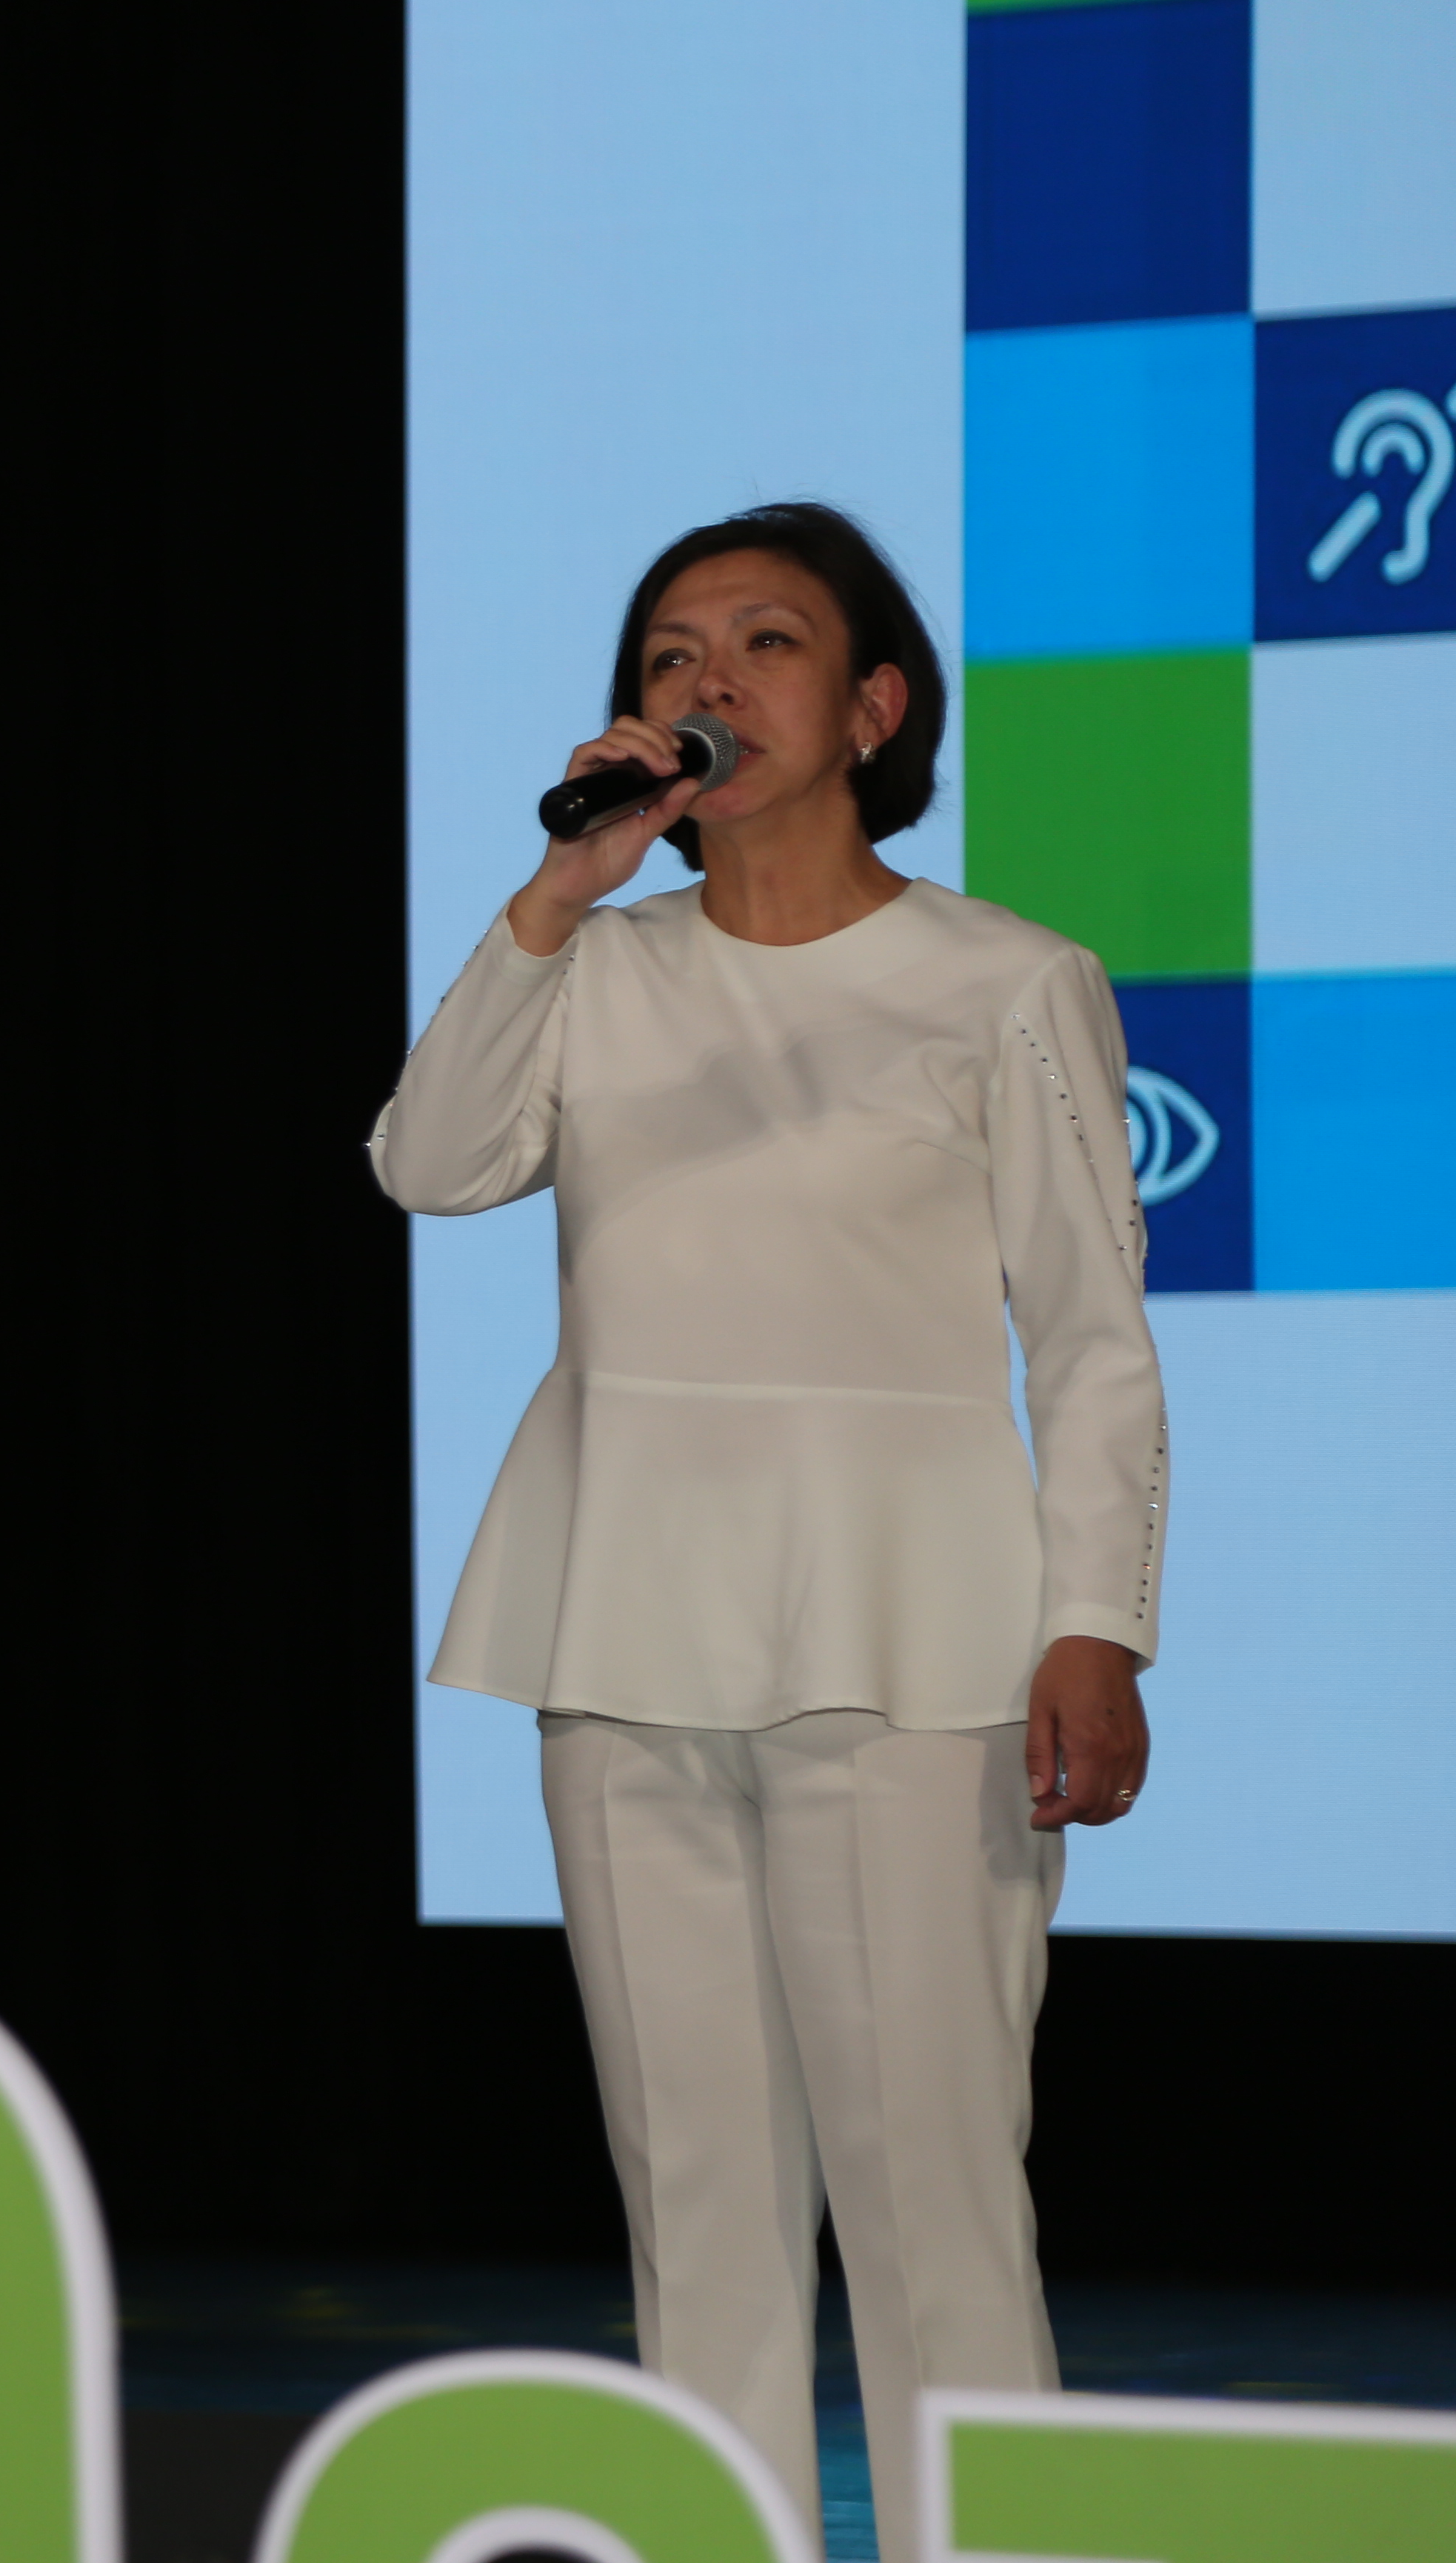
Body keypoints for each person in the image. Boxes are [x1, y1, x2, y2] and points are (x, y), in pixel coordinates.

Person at [373, 502, 1161, 2559]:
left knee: (933, 2212)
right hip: (624, 1632)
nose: (706, 679)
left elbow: (1093, 1340)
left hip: (914, 1655)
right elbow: (429, 1163)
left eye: (765, 643)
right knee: (696, 2201)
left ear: (876, 709)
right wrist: (562, 892)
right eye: (670, 655)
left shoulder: (1005, 980)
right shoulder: (596, 967)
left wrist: (1098, 1624)